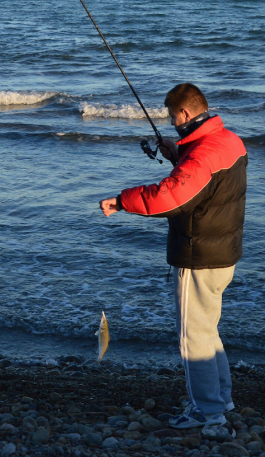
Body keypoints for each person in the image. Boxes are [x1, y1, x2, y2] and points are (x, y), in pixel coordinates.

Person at [100, 83, 247, 429]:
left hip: (199, 256)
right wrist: (177, 154)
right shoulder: (229, 141)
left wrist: (121, 201)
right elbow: (204, 181)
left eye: (171, 118)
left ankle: (208, 413)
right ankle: (222, 399)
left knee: (193, 337)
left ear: (183, 114)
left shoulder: (201, 156)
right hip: (224, 253)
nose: (170, 124)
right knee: (207, 330)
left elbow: (171, 197)